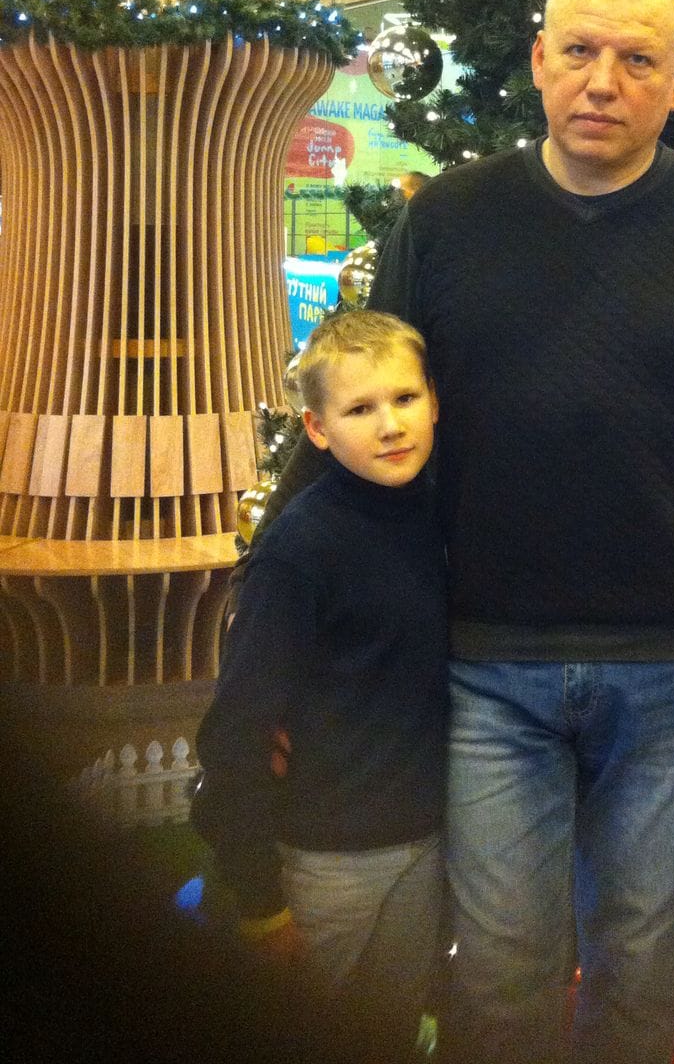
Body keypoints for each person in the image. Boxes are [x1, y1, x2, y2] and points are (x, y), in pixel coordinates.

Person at [263, 0, 674, 1064]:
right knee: (501, 975)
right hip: (485, 661)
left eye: (636, 60)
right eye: (580, 51)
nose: (602, 81)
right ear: (539, 59)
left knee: (640, 967)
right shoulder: (449, 219)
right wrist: (276, 629)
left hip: (670, 664)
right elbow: (360, 410)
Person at [193, 310, 447, 1064]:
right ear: (317, 428)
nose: (390, 425)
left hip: (424, 843)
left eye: (404, 398)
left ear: (434, 401)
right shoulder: (299, 551)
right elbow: (236, 730)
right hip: (324, 860)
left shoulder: (441, 515)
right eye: (359, 409)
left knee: (387, 1034)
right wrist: (261, 902)